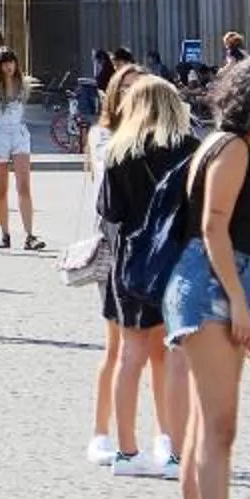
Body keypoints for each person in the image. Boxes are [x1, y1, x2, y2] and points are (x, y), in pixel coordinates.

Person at [167, 55, 250, 499]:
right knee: (218, 430)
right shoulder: (235, 148)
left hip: (204, 282)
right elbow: (214, 226)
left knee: (206, 427)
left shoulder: (221, 143)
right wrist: (241, 305)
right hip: (213, 284)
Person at [95, 72, 195, 478]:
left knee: (129, 355)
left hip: (132, 261)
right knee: (174, 356)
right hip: (178, 262)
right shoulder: (192, 148)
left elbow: (110, 212)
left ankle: (126, 451)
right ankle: (172, 451)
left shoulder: (120, 151)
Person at [0, 47, 39, 251]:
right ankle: (5, 234)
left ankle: (30, 234)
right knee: (1, 188)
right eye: (4, 63)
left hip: (19, 132)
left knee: (24, 185)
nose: (9, 66)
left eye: (11, 62)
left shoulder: (23, 84)